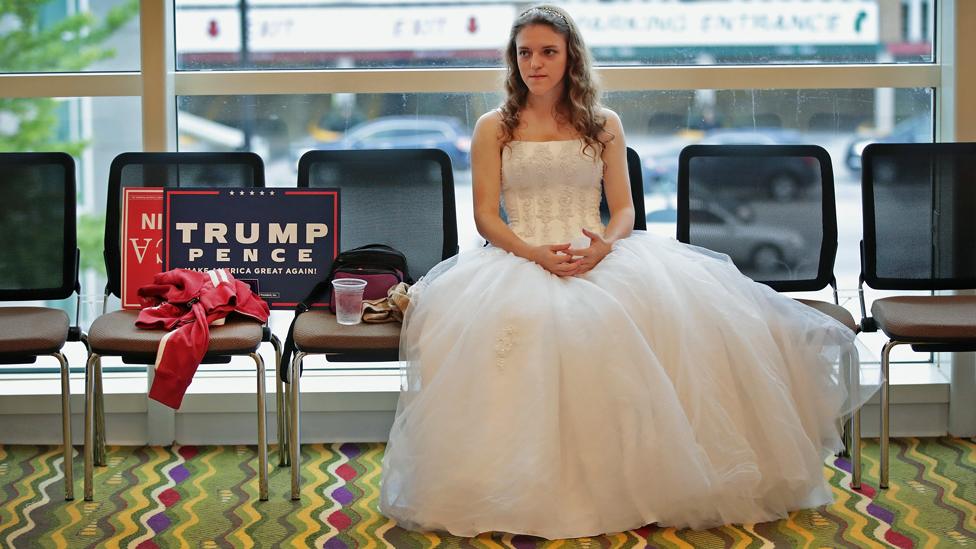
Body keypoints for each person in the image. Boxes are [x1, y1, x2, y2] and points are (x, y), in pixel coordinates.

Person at [379, 5, 875, 539]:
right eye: (525, 52)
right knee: (528, 331)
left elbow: (624, 210)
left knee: (664, 326)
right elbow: (482, 215)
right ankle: (518, 485)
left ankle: (650, 481)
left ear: (570, 57)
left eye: (548, 51)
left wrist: (603, 248)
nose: (535, 63)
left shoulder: (602, 123)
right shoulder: (493, 126)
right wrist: (534, 254)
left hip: (598, 251)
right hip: (520, 253)